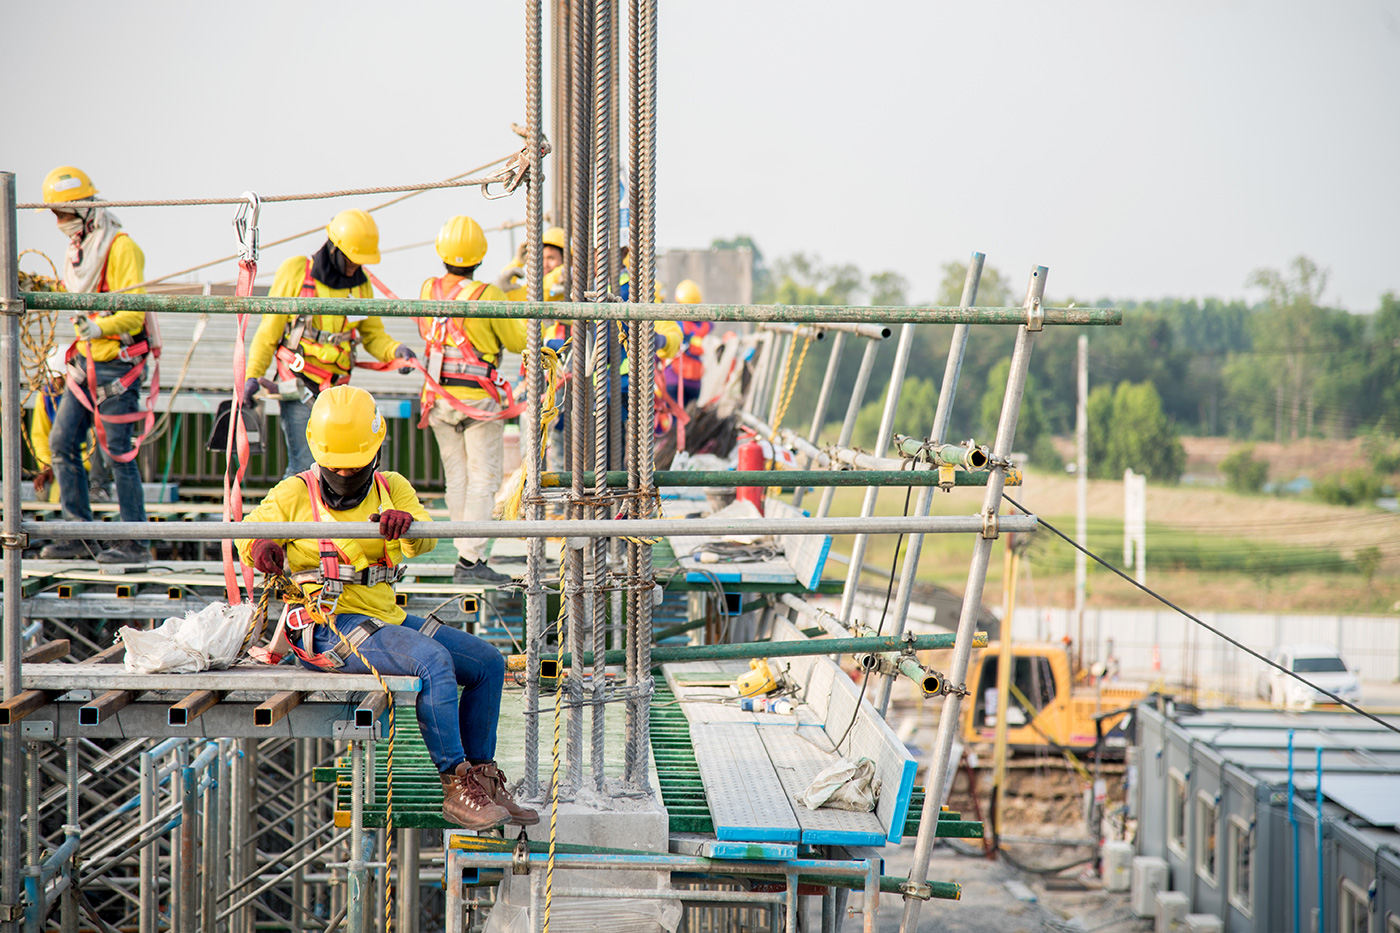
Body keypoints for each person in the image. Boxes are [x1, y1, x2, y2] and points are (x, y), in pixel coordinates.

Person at [237, 385, 536, 831]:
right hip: (327, 626)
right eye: (336, 468)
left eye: (353, 468)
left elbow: (429, 538)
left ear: (375, 453)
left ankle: (482, 779)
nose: (345, 477)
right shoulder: (293, 494)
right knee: (432, 661)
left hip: (383, 618)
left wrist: (408, 527)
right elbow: (246, 530)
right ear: (319, 456)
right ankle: (455, 785)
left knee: (488, 664)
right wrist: (259, 545)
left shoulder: (391, 487)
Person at [243, 209, 416, 476]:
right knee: (304, 467)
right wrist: (253, 375)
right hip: (299, 385)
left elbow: (373, 335)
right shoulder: (297, 273)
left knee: (337, 469)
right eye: (351, 259)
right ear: (335, 249)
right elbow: (269, 331)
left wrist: (396, 352)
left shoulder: (360, 286)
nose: (355, 266)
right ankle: (293, 517)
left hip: (337, 392)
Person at [38, 166, 151, 563]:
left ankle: (136, 543)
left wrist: (97, 326)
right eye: (55, 215)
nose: (59, 223)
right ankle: (79, 535)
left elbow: (134, 317)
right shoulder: (80, 251)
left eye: (63, 214)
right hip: (87, 363)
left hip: (117, 366)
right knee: (62, 443)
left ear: (84, 211)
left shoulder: (120, 248)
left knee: (118, 453)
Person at [417, 216, 526, 585]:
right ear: (481, 255)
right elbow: (516, 341)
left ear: (440, 251)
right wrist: (511, 294)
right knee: (484, 479)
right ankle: (470, 560)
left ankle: (464, 553)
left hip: (438, 400)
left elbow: (440, 319)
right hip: (478, 403)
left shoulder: (427, 288)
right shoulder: (490, 297)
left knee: (457, 477)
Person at [663, 279, 709, 409]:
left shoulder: (675, 323)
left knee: (673, 420)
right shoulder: (704, 326)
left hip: (673, 378)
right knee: (688, 421)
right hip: (695, 383)